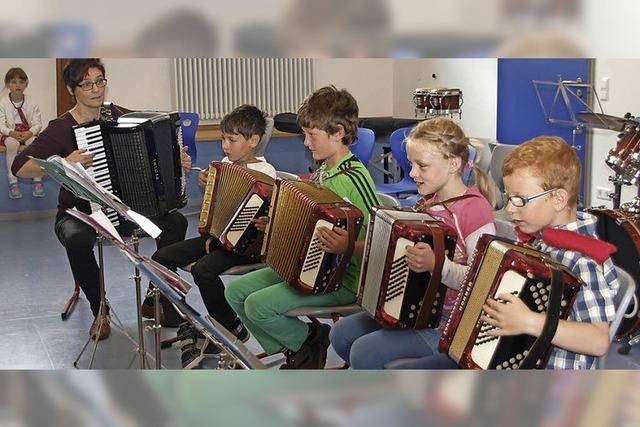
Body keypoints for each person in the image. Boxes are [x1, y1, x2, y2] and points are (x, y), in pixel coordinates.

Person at [400, 136, 619, 369]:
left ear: (558, 199)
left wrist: (529, 322)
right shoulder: (539, 240)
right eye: (508, 197)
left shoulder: (583, 258)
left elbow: (598, 341)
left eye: (520, 200)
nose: (510, 208)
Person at [12, 58, 189, 341]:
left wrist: (176, 158)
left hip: (122, 209)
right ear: (72, 89)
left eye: (100, 81)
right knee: (78, 239)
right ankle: (100, 309)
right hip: (78, 212)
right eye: (87, 84)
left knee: (175, 223)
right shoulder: (61, 128)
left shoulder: (119, 115)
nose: (96, 89)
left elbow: (156, 142)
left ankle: (157, 298)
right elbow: (19, 166)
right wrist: (62, 162)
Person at [224, 86, 380, 369]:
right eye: (305, 134)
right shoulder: (323, 172)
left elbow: (381, 240)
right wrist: (274, 224)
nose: (306, 143)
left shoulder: (354, 177)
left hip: (346, 279)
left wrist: (348, 247)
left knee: (258, 306)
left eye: (312, 135)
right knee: (235, 293)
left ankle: (305, 345)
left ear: (338, 132)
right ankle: (302, 344)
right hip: (312, 267)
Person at [328, 117, 496, 369]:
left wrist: (437, 265)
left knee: (364, 353)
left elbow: (482, 280)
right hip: (413, 308)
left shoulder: (475, 210)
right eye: (410, 164)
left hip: (448, 322)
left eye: (422, 166)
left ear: (453, 163)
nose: (413, 174)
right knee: (340, 334)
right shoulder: (427, 203)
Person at [149, 104, 277, 369]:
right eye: (223, 139)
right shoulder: (225, 166)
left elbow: (250, 219)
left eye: (232, 140)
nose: (225, 146)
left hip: (246, 244)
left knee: (203, 270)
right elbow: (213, 211)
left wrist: (217, 234)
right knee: (161, 256)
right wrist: (209, 187)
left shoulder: (266, 173)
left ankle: (230, 326)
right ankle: (188, 318)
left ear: (253, 141)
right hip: (218, 237)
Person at [0, 67, 43, 199]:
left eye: (21, 82)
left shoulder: (32, 102)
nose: (17, 85)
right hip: (11, 133)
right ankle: (13, 181)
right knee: (12, 145)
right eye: (13, 82)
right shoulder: (3, 103)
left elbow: (38, 123)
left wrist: (30, 133)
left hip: (27, 132)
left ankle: (37, 179)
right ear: (8, 84)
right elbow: (1, 124)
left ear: (26, 84)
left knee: (34, 143)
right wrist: (10, 132)